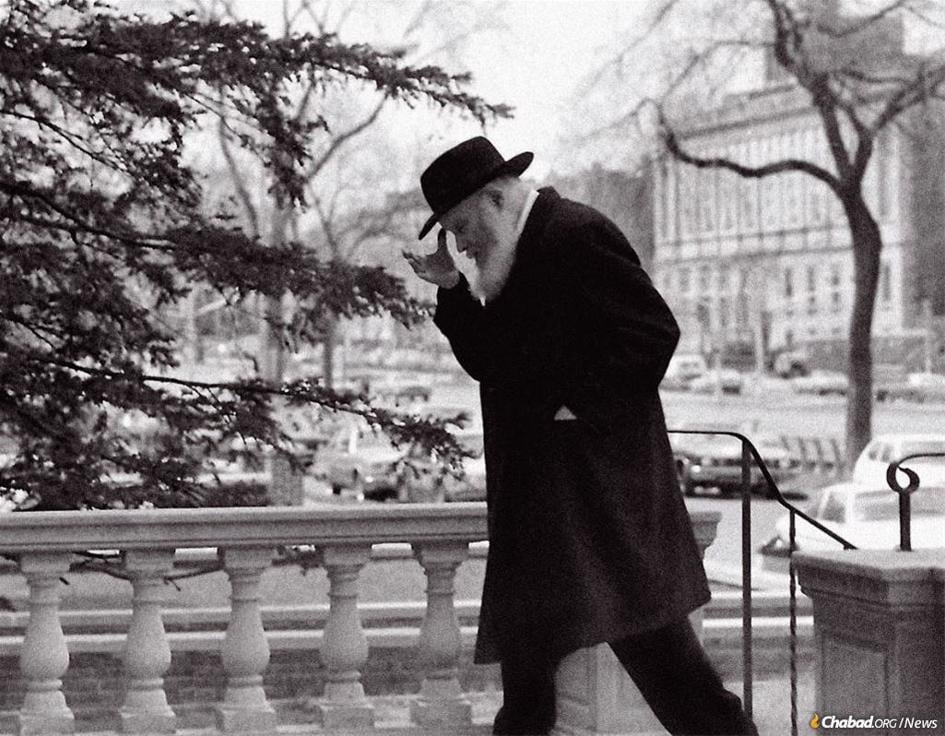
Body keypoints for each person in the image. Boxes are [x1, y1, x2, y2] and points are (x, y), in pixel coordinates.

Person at [403, 136, 757, 736]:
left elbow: (653, 334)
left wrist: (573, 407)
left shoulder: (574, 233)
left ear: (496, 199)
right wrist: (453, 290)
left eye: (461, 227)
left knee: (679, 685)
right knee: (528, 704)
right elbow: (495, 362)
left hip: (600, 511)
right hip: (542, 517)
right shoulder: (512, 254)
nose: (460, 244)